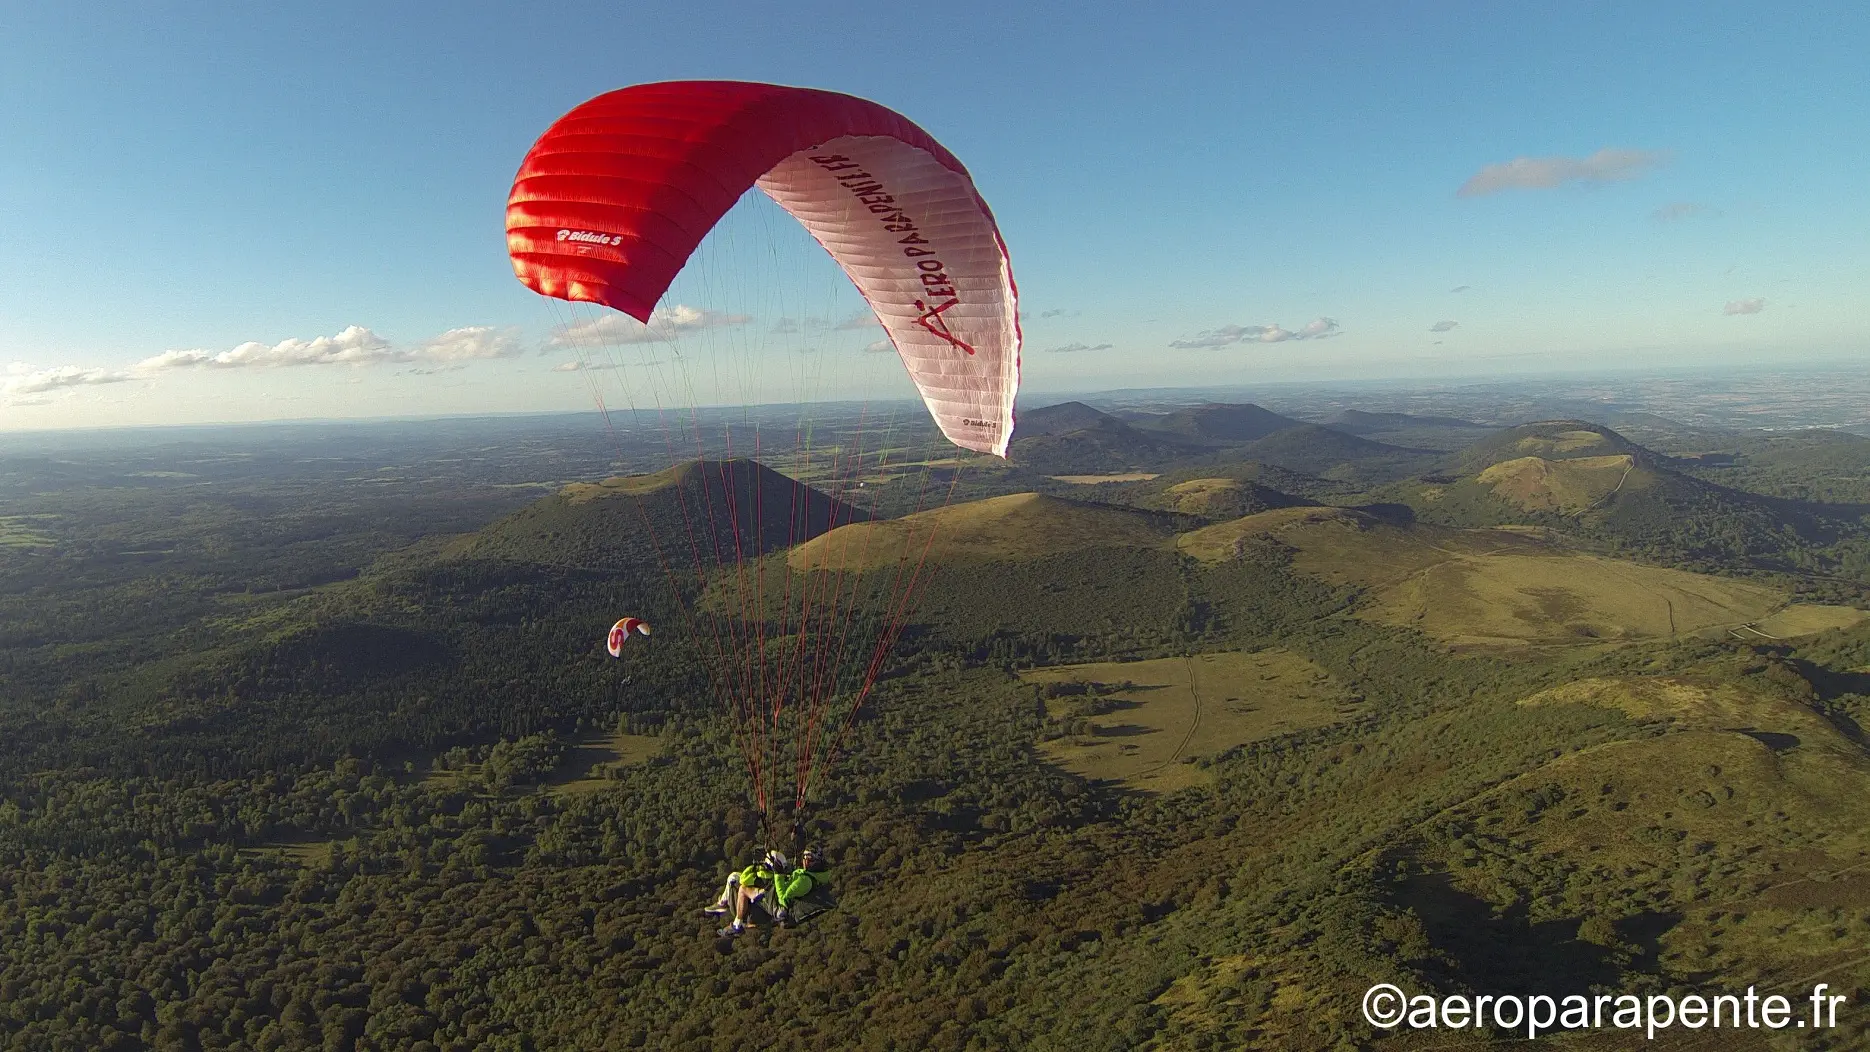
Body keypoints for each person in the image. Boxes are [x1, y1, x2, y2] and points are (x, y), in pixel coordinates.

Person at [705, 847, 828, 937]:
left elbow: (783, 896)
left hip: (771, 905)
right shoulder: (808, 877)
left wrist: (776, 874)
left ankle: (737, 923)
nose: (805, 862)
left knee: (742, 888)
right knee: (735, 877)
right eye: (805, 859)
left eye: (809, 860)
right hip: (773, 901)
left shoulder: (804, 881)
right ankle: (723, 903)